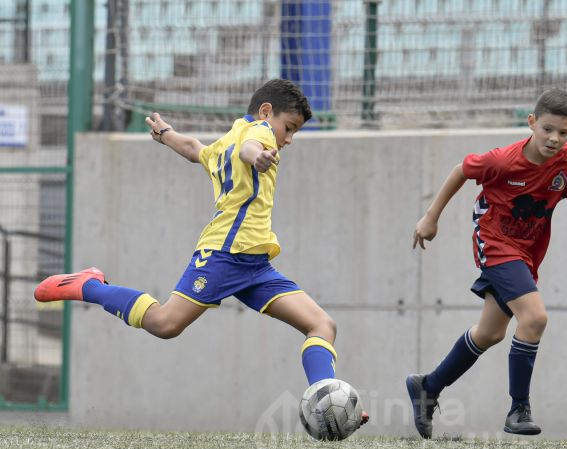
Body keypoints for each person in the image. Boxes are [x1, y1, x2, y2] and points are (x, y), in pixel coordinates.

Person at [35, 79, 367, 427]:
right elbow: (250, 149)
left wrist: (165, 134)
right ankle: (89, 285)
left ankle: (328, 404)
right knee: (165, 324)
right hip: (223, 255)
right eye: (289, 128)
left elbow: (196, 150)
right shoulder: (258, 133)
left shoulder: (228, 139)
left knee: (321, 324)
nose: (287, 140)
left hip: (255, 265)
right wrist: (260, 156)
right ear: (267, 112)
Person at [407, 88, 567, 438]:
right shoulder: (503, 160)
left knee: (490, 333)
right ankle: (518, 409)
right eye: (548, 129)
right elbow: (461, 169)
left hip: (526, 251)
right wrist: (431, 217)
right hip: (494, 241)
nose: (554, 139)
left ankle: (427, 387)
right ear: (532, 123)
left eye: (564, 132)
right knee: (535, 317)